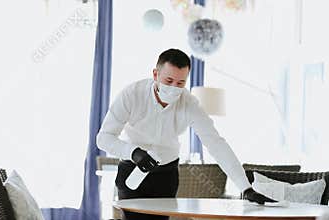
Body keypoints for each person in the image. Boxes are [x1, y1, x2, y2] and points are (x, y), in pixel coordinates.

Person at [96, 48, 276, 220]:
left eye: (180, 83)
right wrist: (133, 152)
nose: (174, 88)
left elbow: (216, 143)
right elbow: (103, 138)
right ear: (155, 74)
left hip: (166, 174)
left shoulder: (190, 104)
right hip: (132, 169)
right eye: (168, 81)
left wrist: (245, 188)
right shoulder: (131, 94)